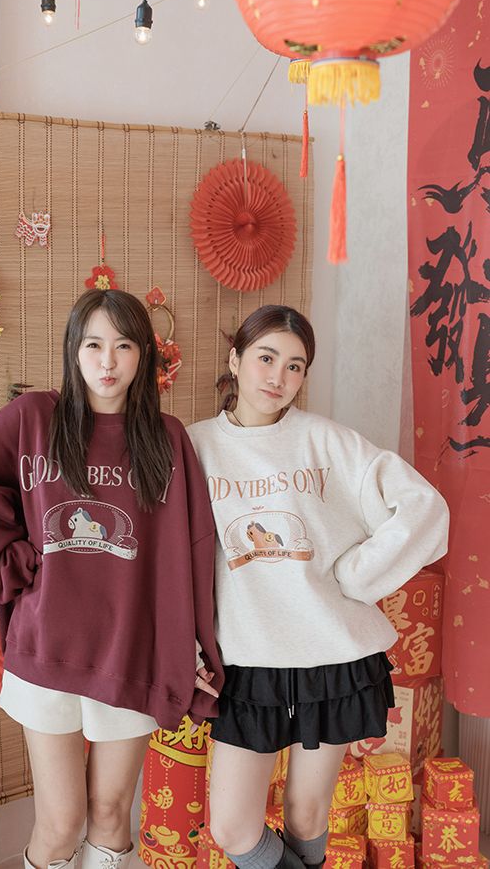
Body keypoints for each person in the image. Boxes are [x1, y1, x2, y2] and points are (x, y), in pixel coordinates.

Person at [0, 289, 222, 869]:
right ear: (73, 351)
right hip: (47, 645)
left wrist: (190, 643)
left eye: (124, 346)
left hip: (132, 647)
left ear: (144, 355)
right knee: (60, 824)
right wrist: (10, 562)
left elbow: (188, 552)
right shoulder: (35, 418)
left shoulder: (167, 438)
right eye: (93, 345)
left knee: (110, 814)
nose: (108, 362)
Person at [186, 304, 449, 869]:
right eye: (265, 358)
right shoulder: (193, 447)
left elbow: (425, 508)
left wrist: (359, 575)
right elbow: (168, 563)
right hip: (246, 662)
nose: (277, 377)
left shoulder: (329, 443)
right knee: (233, 828)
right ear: (234, 359)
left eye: (295, 366)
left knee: (307, 817)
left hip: (331, 657)